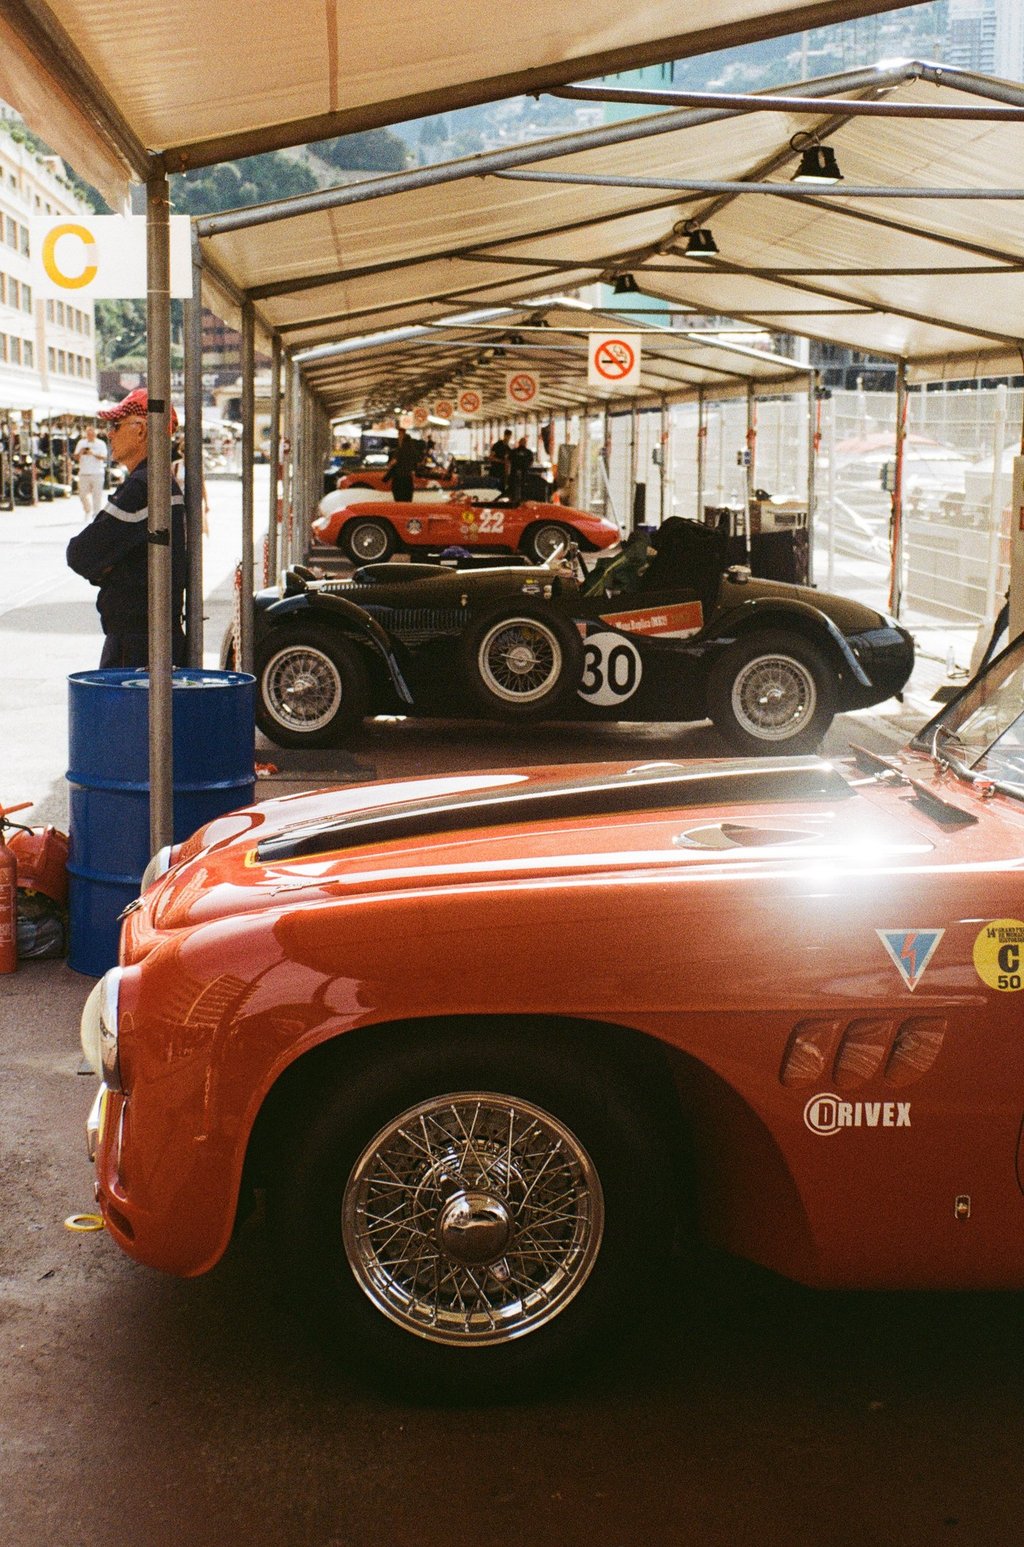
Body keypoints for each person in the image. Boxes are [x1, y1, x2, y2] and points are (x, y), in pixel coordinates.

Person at [66, 388, 186, 669]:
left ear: (141, 430)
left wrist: (109, 567)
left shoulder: (142, 486)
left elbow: (81, 554)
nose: (110, 434)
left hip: (136, 643)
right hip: (150, 635)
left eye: (116, 425)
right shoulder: (157, 480)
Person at [73, 424, 108, 518]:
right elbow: (75, 457)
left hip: (97, 473)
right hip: (84, 472)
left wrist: (93, 453)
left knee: (97, 496)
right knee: (82, 495)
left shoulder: (101, 443)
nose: (90, 434)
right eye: (88, 432)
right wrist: (81, 452)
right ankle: (87, 510)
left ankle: (96, 514)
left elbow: (104, 457)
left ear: (95, 433)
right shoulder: (81, 443)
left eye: (92, 432)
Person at [382, 426, 422, 502]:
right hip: (408, 479)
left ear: (402, 440)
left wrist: (390, 465)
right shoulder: (413, 451)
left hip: (398, 479)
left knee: (399, 501)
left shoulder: (399, 451)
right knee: (407, 501)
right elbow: (419, 462)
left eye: (399, 438)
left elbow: (392, 464)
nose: (398, 439)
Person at [508, 436, 533, 503]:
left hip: (520, 473)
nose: (523, 443)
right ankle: (517, 500)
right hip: (519, 473)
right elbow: (530, 462)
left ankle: (518, 500)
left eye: (524, 442)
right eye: (523, 442)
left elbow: (509, 461)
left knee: (520, 488)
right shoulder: (528, 452)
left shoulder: (514, 451)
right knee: (517, 488)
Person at [488, 428, 513, 493]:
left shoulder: (508, 448)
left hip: (503, 472)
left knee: (502, 489)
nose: (508, 438)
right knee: (494, 488)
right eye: (507, 436)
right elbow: (491, 457)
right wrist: (501, 461)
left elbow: (508, 461)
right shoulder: (497, 445)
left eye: (509, 437)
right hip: (495, 470)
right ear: (504, 435)